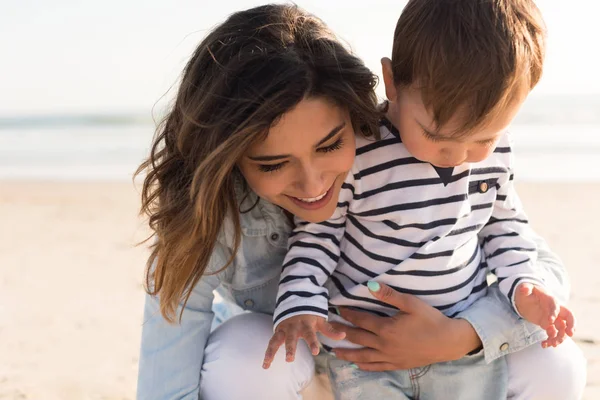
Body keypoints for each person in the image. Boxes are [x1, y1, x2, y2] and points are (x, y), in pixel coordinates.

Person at [135, 4, 586, 400]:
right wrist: (299, 309)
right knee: (249, 354)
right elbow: (171, 342)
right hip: (329, 363)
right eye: (273, 165)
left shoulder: (454, 148)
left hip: (444, 349)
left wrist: (462, 337)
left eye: (331, 145)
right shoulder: (222, 212)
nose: (313, 184)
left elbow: (526, 249)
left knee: (557, 360)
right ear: (231, 157)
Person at [263, 1, 577, 398]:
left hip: (458, 345)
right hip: (364, 351)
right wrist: (300, 304)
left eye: (483, 138)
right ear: (391, 82)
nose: (458, 156)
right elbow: (317, 238)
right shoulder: (360, 150)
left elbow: (504, 227)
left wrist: (524, 283)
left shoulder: (498, 154)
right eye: (436, 135)